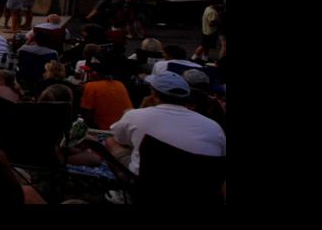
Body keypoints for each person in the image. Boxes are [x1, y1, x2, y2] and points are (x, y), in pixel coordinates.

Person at [96, 72, 226, 175]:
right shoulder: (213, 126)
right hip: (201, 189)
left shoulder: (135, 115)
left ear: (154, 93)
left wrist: (141, 109)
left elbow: (119, 138)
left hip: (148, 184)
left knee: (111, 141)